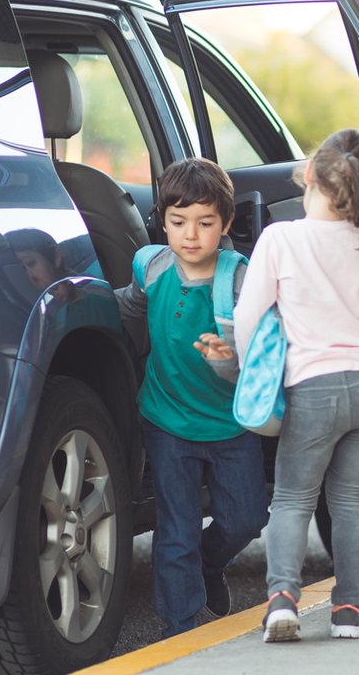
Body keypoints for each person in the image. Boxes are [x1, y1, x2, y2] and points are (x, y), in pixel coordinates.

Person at [200, 129, 359, 642]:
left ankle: (283, 601)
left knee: (293, 498)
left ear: (309, 174)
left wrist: (247, 371)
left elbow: (249, 316)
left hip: (315, 384)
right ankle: (349, 609)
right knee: (351, 498)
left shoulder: (282, 239)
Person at [114, 158, 268, 639]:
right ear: (163, 221)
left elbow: (265, 348)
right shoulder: (152, 265)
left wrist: (232, 354)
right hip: (167, 420)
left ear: (226, 223)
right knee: (176, 528)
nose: (191, 235)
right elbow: (129, 306)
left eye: (205, 222)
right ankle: (181, 626)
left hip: (230, 423)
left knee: (246, 519)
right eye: (179, 222)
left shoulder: (238, 278)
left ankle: (209, 560)